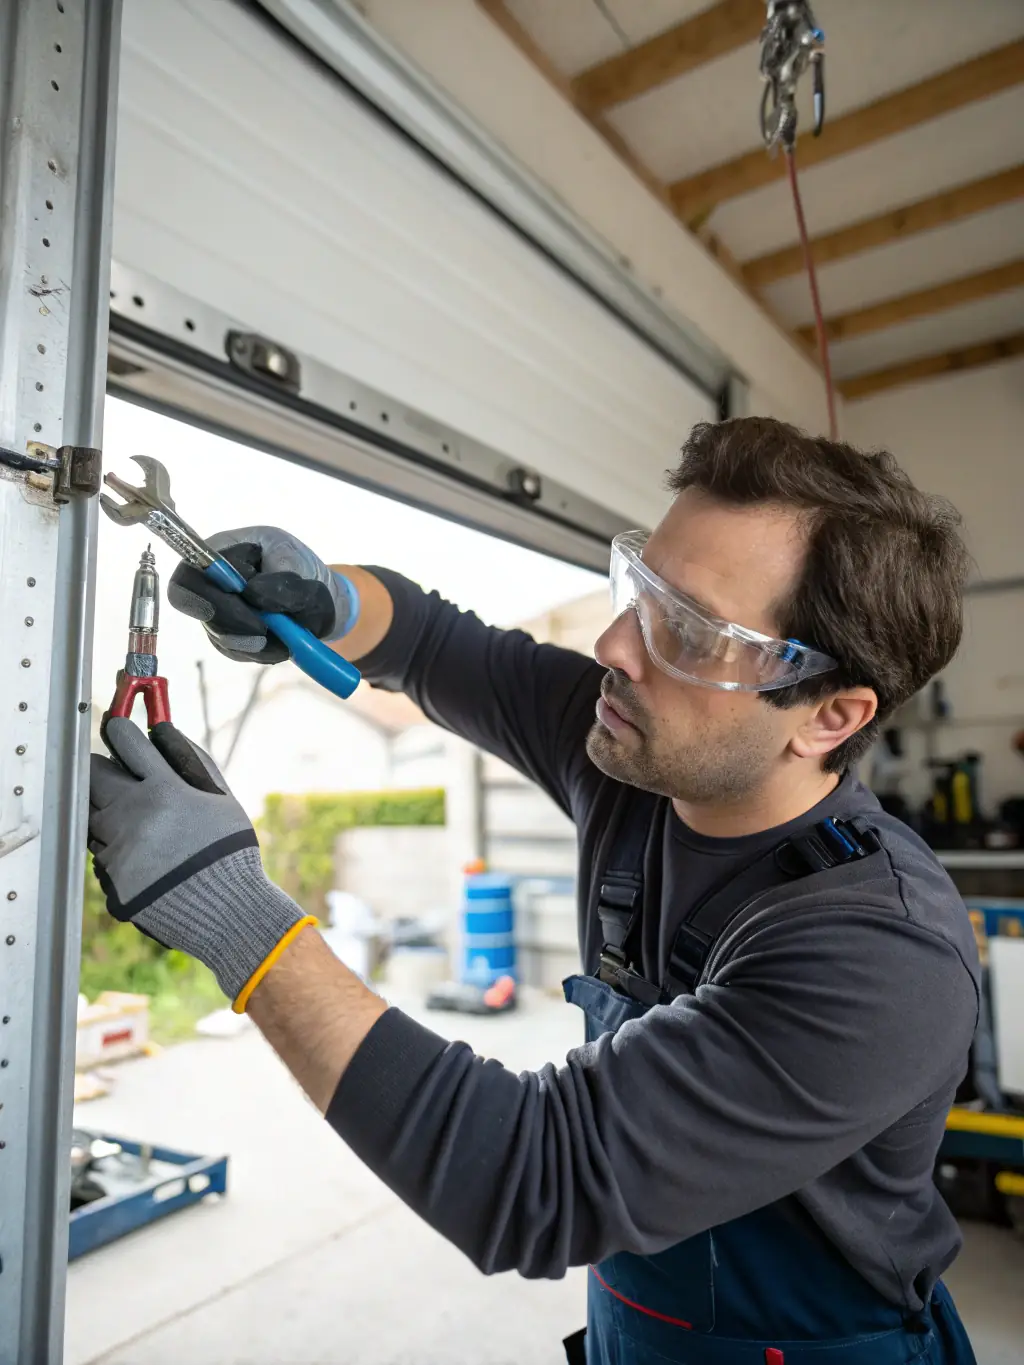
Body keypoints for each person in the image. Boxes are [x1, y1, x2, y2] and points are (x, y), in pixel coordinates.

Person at [89, 417, 980, 1365]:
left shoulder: (884, 951)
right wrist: (328, 598)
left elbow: (532, 1176)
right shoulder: (637, 747)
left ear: (831, 714)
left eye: (685, 630)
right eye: (639, 590)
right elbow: (436, 646)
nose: (612, 645)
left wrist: (233, 911)